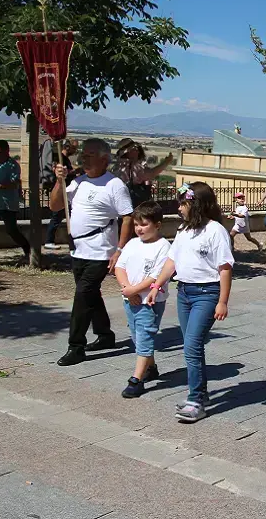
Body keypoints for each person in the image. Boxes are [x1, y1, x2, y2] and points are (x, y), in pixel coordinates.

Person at [147, 182, 234, 423]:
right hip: (184, 293)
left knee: (192, 345)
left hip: (206, 294)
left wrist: (223, 302)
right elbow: (171, 262)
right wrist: (156, 285)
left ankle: (196, 400)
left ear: (196, 204)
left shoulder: (216, 231)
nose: (180, 207)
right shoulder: (184, 230)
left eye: (184, 202)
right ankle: (202, 395)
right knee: (191, 345)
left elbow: (225, 268)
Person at [51, 138, 135, 366]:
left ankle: (75, 346)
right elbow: (55, 206)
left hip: (100, 253)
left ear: (104, 159)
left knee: (82, 297)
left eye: (89, 155)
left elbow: (127, 216)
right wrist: (59, 181)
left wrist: (120, 249)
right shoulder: (78, 182)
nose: (83, 159)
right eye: (83, 155)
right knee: (91, 296)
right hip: (78, 250)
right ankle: (105, 335)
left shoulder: (114, 185)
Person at [114, 201, 171, 398]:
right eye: (137, 225)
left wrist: (135, 291)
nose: (139, 229)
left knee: (145, 335)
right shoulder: (132, 244)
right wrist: (127, 290)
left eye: (144, 224)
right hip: (130, 298)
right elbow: (120, 267)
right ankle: (150, 367)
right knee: (136, 335)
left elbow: (155, 276)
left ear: (157, 225)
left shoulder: (164, 247)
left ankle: (136, 379)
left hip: (150, 300)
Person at [111, 139, 174, 207]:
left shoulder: (117, 166)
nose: (138, 151)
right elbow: (151, 174)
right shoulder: (133, 166)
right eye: (134, 149)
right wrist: (166, 162)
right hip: (132, 206)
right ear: (128, 152)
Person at [45, 139, 76, 249]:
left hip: (66, 191)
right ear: (67, 147)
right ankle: (49, 240)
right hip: (60, 191)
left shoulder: (64, 159)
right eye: (74, 148)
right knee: (56, 217)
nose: (75, 151)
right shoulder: (60, 159)